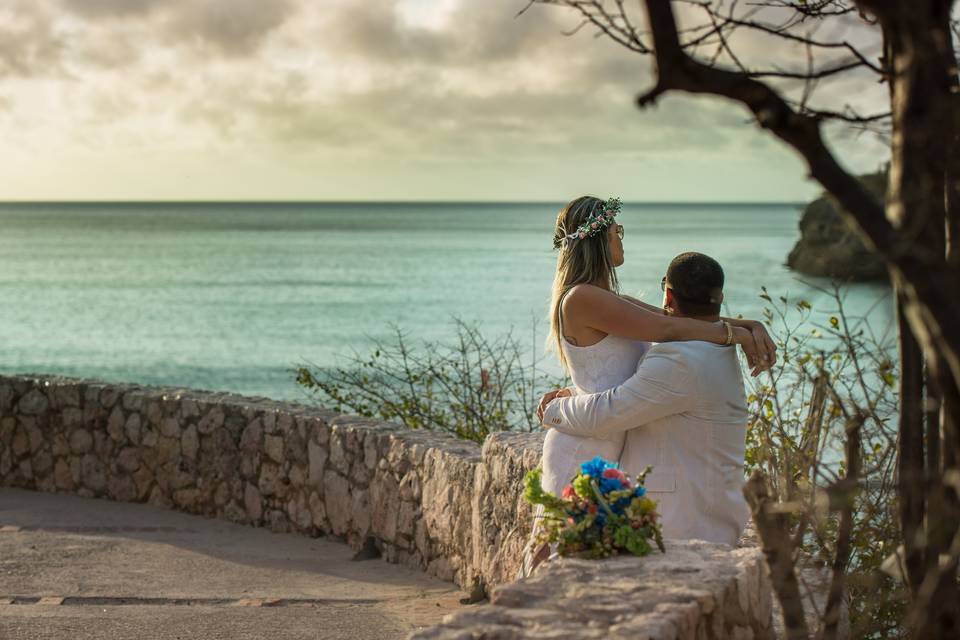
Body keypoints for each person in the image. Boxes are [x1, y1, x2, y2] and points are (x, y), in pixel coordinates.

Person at [518, 196, 774, 576]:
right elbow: (670, 327)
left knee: (589, 556)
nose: (622, 238)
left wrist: (751, 325)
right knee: (561, 556)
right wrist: (733, 336)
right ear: (598, 239)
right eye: (617, 231)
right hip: (585, 438)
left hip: (608, 438)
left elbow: (673, 317)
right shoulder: (583, 298)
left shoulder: (606, 299)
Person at [540, 251, 757, 548]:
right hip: (711, 511)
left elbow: (608, 412)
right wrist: (747, 327)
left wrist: (554, 408)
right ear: (718, 298)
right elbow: (653, 326)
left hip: (686, 522)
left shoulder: (679, 360)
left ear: (668, 295)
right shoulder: (716, 348)